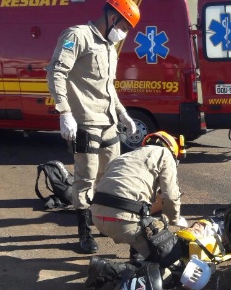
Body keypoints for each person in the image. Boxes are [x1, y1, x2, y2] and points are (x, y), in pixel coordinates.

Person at [46, 0, 141, 253]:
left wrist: (123, 114)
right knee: (85, 178)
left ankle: (101, 220)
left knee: (110, 176)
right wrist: (64, 111)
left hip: (108, 122)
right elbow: (56, 72)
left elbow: (108, 88)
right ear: (113, 17)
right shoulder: (78, 36)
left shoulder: (110, 46)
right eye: (125, 26)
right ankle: (85, 232)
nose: (125, 33)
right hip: (85, 121)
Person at [83, 131, 210, 290]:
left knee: (149, 225)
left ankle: (137, 258)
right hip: (123, 220)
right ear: (170, 148)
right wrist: (175, 219)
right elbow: (170, 195)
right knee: (169, 255)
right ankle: (105, 269)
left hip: (98, 215)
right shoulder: (165, 155)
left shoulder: (125, 156)